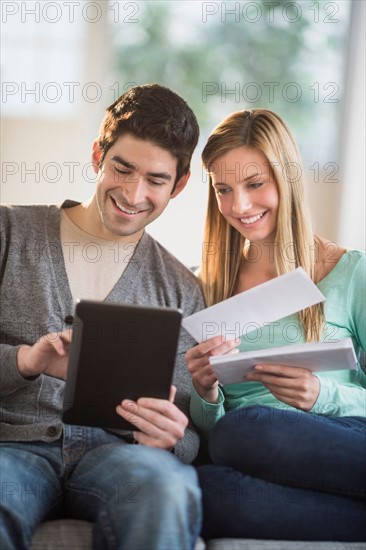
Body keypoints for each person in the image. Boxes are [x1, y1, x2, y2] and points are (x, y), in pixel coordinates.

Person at [0, 84, 205, 550]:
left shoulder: (181, 290)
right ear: (98, 155)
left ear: (180, 184)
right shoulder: (9, 232)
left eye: (155, 180)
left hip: (117, 458)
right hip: (11, 448)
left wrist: (171, 438)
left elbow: (189, 431)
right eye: (122, 168)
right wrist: (26, 362)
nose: (133, 194)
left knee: (166, 488)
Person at [186, 109, 366, 542]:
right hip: (249, 455)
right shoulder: (205, 285)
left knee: (249, 428)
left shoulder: (350, 272)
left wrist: (321, 395)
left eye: (254, 184)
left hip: (341, 435)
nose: (239, 206)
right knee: (208, 489)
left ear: (286, 179)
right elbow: (211, 437)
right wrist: (206, 392)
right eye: (223, 190)